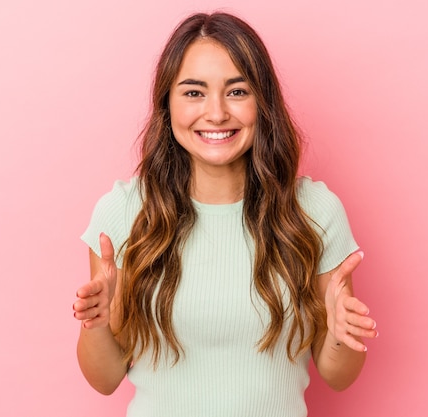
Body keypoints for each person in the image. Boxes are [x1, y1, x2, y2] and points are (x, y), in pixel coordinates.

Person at [72, 11, 378, 417]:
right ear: (167, 102)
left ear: (262, 102)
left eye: (237, 91)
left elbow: (338, 376)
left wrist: (340, 335)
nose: (216, 113)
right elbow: (105, 378)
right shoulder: (125, 213)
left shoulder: (313, 212)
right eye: (194, 93)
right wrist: (95, 325)